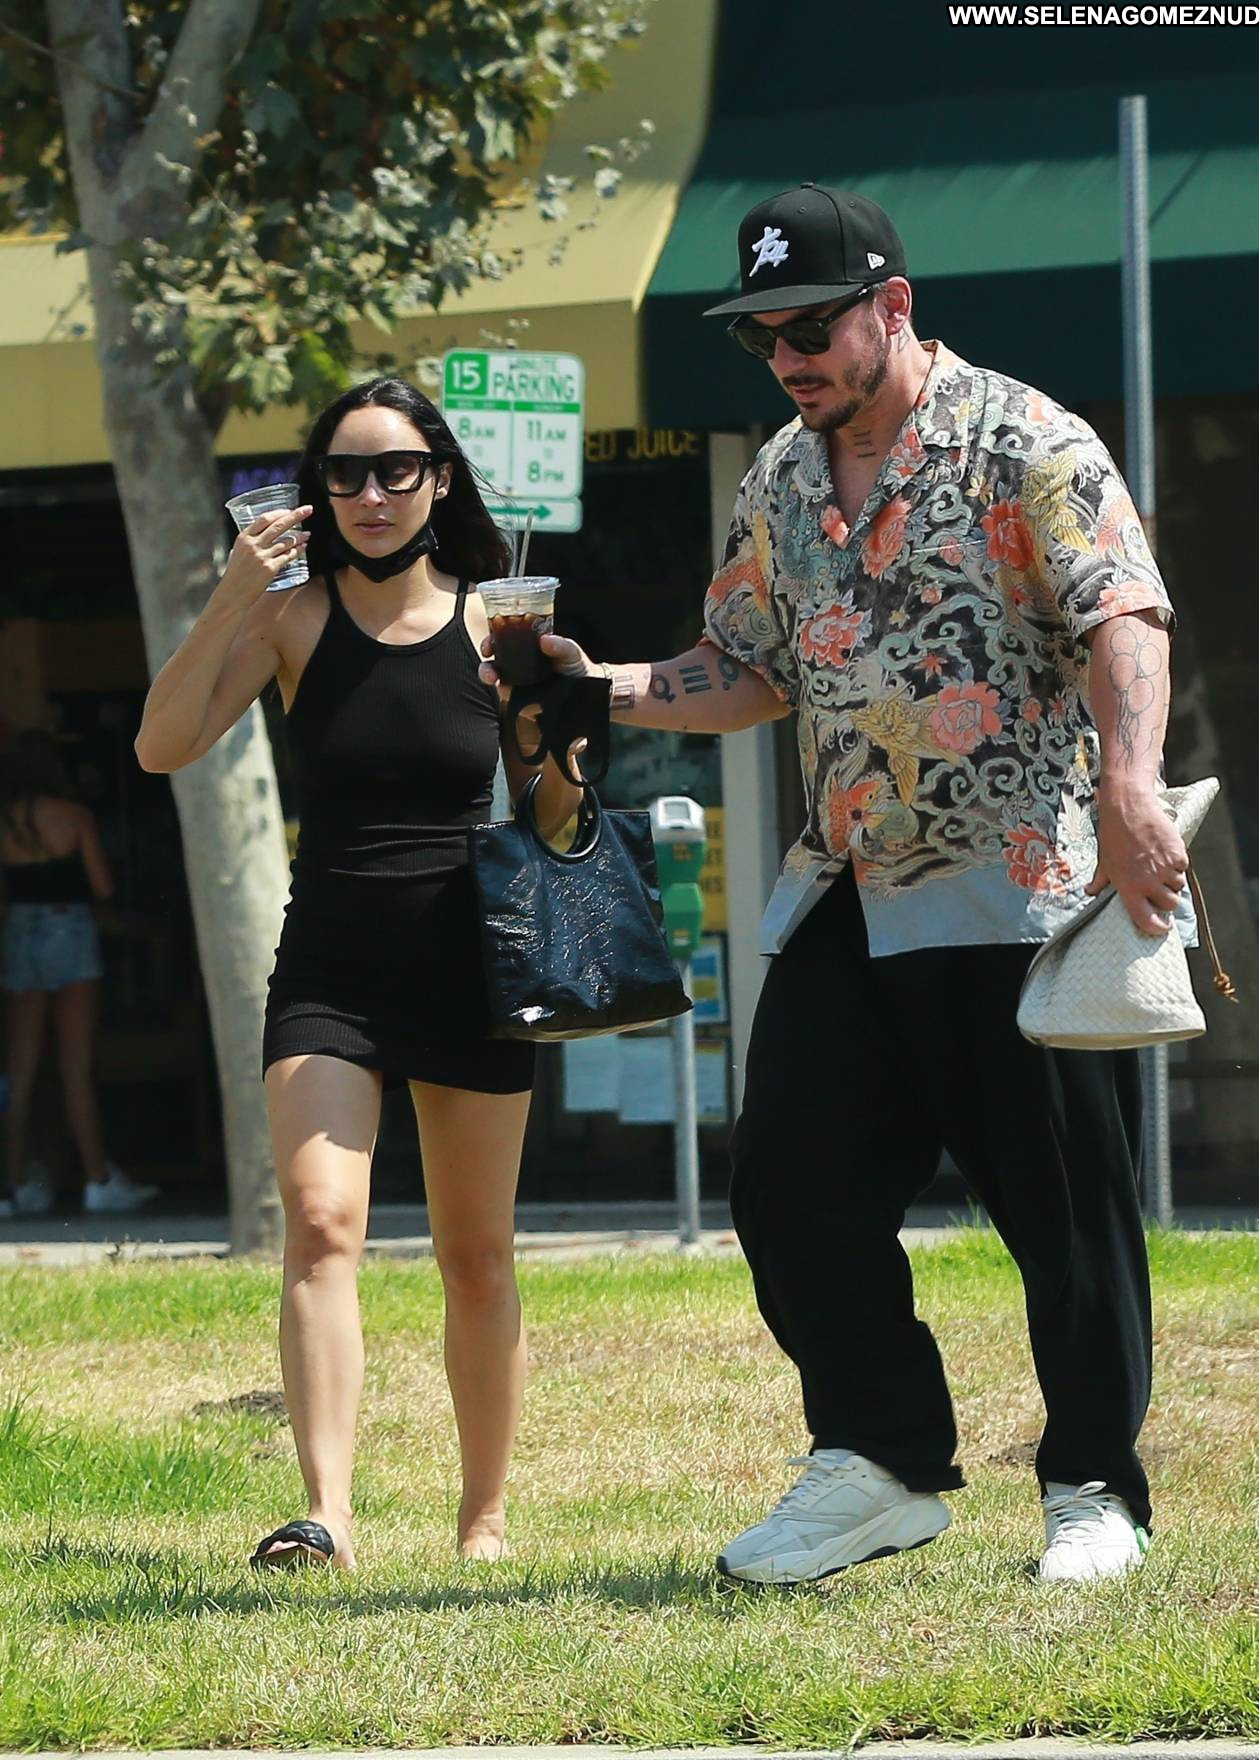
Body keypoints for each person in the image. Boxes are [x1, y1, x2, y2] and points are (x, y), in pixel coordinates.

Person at [482, 185, 1190, 1586]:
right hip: (850, 886)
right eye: (762, 337)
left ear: (893, 306)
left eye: (810, 327)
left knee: (1063, 1215)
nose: (787, 357)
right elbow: (745, 668)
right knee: (791, 1186)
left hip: (1022, 887)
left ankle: (1094, 1488)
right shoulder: (777, 481)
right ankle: (878, 1462)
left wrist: (1130, 784)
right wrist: (596, 686)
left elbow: (1125, 612)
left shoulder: (1026, 438)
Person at [136, 377, 582, 1570]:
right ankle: (326, 1514)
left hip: (473, 960)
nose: (370, 494)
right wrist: (232, 593)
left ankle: (483, 1516)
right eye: (344, 473)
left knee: (475, 1254)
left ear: (440, 478)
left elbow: (551, 813)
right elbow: (161, 743)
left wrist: (554, 729)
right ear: (317, 490)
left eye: (394, 469)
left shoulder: (496, 620)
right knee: (323, 1221)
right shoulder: (289, 617)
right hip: (330, 963)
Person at [0, 729, 157, 1218]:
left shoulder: (4, 822)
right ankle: (97, 1179)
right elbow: (102, 886)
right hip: (69, 929)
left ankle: (10, 1187)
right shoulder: (74, 817)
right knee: (76, 1066)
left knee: (20, 1071)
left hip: (20, 932)